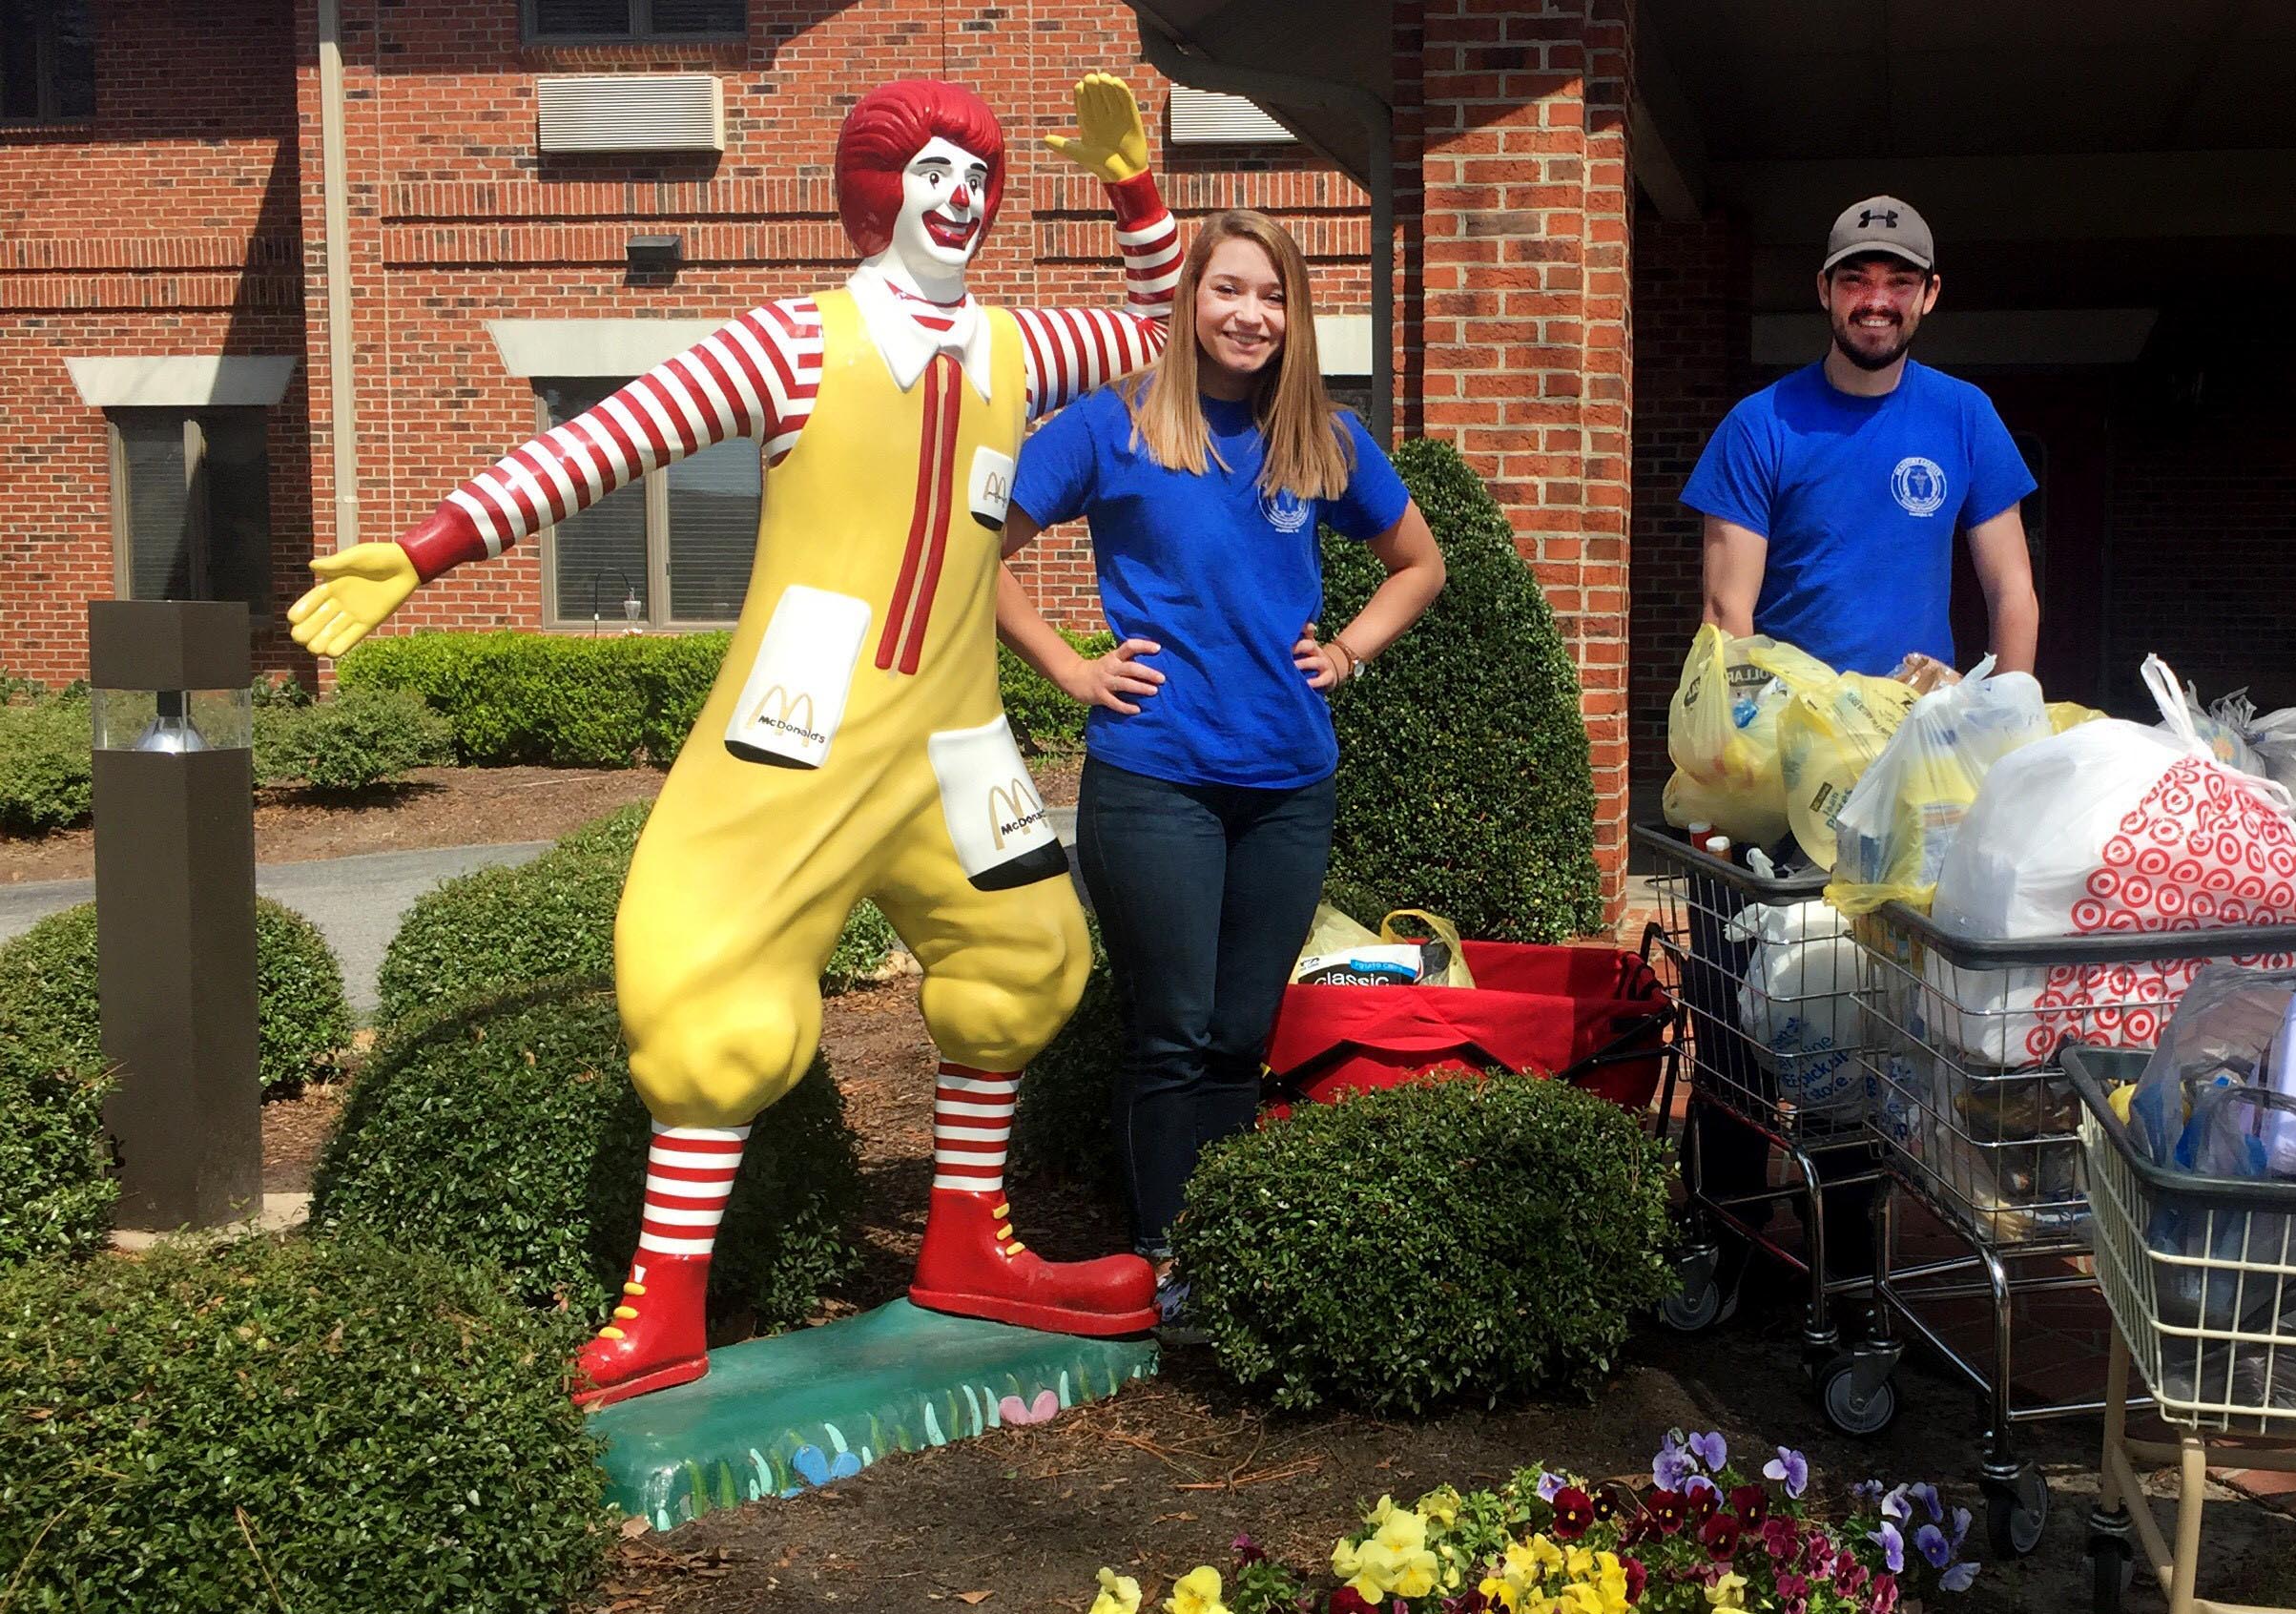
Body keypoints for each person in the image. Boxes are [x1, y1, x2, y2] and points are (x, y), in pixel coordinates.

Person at [284, 75, 1183, 1408]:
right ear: (878, 193)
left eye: (979, 177)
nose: (961, 197)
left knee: (1027, 959)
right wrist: (424, 552)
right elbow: (600, 445)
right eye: (936, 170)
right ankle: (666, 1304)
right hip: (805, 722)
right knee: (711, 994)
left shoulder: (1014, 348)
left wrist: (1136, 190)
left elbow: (1153, 333)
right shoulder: (794, 343)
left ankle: (967, 1243)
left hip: (955, 734)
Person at [998, 209, 1444, 1319]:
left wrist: (1348, 649)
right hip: (1157, 776)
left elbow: (1418, 562)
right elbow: (979, 552)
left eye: (1274, 296)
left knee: (1242, 1032)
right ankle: (1165, 1256)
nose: (1251, 314)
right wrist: (1070, 669)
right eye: (1230, 289)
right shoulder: (1111, 429)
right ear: (1187, 299)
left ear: (1296, 318)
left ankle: (1220, 1236)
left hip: (1289, 780)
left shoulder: (1324, 442)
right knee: (1173, 1028)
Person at [1673, 196, 2042, 1309]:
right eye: (1854, 279)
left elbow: (2010, 588)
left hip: (1900, 784)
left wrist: (2000, 726)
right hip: (1772, 782)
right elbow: (1728, 621)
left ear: (1927, 297)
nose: (1874, 300)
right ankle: (1728, 1238)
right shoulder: (1762, 425)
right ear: (1826, 292)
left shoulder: (1965, 417)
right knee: (1736, 1018)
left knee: (1862, 1026)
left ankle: (1846, 1266)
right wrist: (1759, 752)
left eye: (1897, 282)